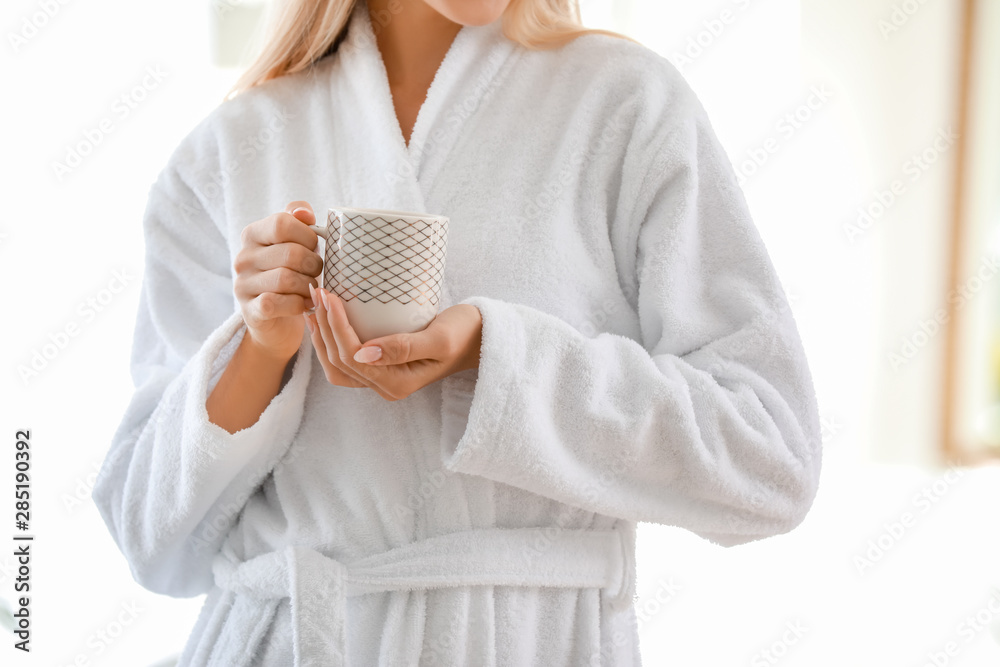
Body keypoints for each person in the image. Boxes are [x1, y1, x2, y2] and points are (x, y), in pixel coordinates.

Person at [92, 0, 824, 664]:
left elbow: (769, 459)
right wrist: (261, 349)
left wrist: (498, 358)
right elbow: (152, 543)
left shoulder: (625, 104)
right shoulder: (227, 150)